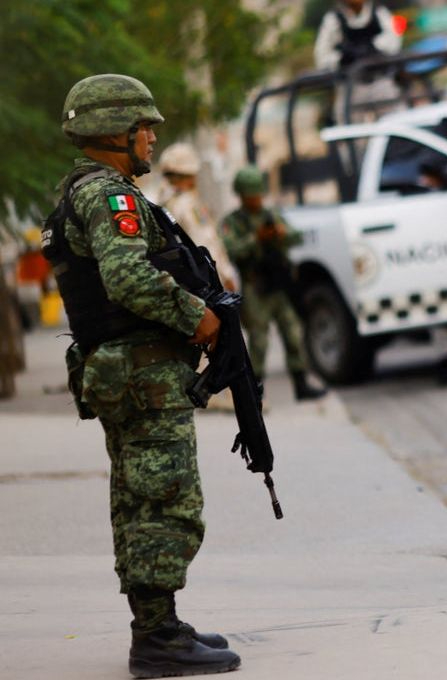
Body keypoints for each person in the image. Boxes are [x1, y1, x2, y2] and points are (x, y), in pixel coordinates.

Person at [49, 73, 240, 677]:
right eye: (143, 126)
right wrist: (199, 318)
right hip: (142, 373)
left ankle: (160, 623)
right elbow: (127, 279)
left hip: (126, 372)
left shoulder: (84, 191)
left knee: (139, 499)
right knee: (165, 500)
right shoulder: (110, 197)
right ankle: (157, 639)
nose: (153, 136)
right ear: (113, 132)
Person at [220, 167, 327, 401]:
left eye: (258, 194)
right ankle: (255, 390)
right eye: (251, 195)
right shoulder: (233, 222)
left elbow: (296, 236)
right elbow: (231, 250)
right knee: (259, 340)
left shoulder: (272, 215)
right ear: (242, 195)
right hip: (256, 285)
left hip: (280, 284)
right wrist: (255, 239)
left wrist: (280, 234)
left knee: (293, 333)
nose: (256, 199)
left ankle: (301, 383)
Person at [158, 143, 237, 292]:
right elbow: (204, 243)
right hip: (207, 281)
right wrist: (225, 276)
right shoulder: (188, 204)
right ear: (190, 175)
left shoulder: (163, 203)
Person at [313, 0, 402, 71]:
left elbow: (394, 43)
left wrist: (373, 49)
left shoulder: (380, 12)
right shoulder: (332, 19)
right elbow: (322, 57)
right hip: (349, 83)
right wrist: (342, 58)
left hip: (382, 77)